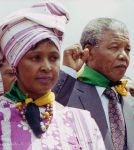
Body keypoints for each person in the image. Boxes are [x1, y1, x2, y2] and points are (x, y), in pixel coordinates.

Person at [0, 1, 105, 149]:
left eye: (54, 58)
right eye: (36, 57)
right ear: (15, 65)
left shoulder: (81, 121)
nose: (47, 67)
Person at [53, 17, 134, 150]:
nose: (123, 55)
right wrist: (67, 72)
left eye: (127, 50)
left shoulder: (129, 94)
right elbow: (43, 113)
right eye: (114, 47)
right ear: (88, 51)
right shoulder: (68, 92)